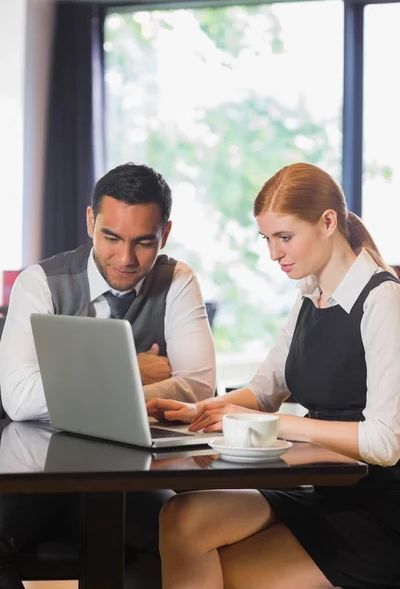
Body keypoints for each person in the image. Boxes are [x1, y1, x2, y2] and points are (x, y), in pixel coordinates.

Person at [147, 162, 400, 589]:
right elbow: (265, 390)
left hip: (380, 512)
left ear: (327, 222)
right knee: (181, 516)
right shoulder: (309, 296)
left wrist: (279, 424)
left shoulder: (382, 299)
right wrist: (198, 409)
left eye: (284, 237)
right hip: (325, 493)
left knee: (222, 573)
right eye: (267, 239)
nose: (274, 254)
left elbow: (385, 442)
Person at [0, 162, 216, 588]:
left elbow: (197, 385)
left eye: (143, 242)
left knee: (170, 541)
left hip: (133, 476)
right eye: (111, 237)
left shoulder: (177, 281)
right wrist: (134, 370)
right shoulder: (40, 282)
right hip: (39, 472)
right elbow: (21, 399)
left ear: (165, 235)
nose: (125, 258)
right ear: (89, 221)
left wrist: (73, 384)